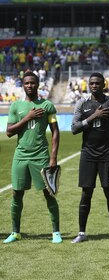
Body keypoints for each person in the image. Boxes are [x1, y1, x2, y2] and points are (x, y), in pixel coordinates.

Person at [4, 71, 61, 244]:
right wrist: (27, 117)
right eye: (27, 83)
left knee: (49, 193)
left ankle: (56, 232)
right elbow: (9, 132)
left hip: (41, 156)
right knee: (16, 194)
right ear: (23, 85)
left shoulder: (47, 106)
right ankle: (15, 232)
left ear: (38, 85)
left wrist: (53, 157)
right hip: (20, 156)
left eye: (33, 83)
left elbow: (55, 132)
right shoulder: (16, 107)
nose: (30, 85)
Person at [70, 73, 109, 243]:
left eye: (97, 83)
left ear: (104, 85)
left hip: (107, 156)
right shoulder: (82, 103)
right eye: (92, 83)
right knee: (86, 193)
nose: (94, 86)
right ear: (89, 85)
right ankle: (81, 233)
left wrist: (107, 143)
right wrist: (93, 117)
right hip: (87, 155)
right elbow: (74, 128)